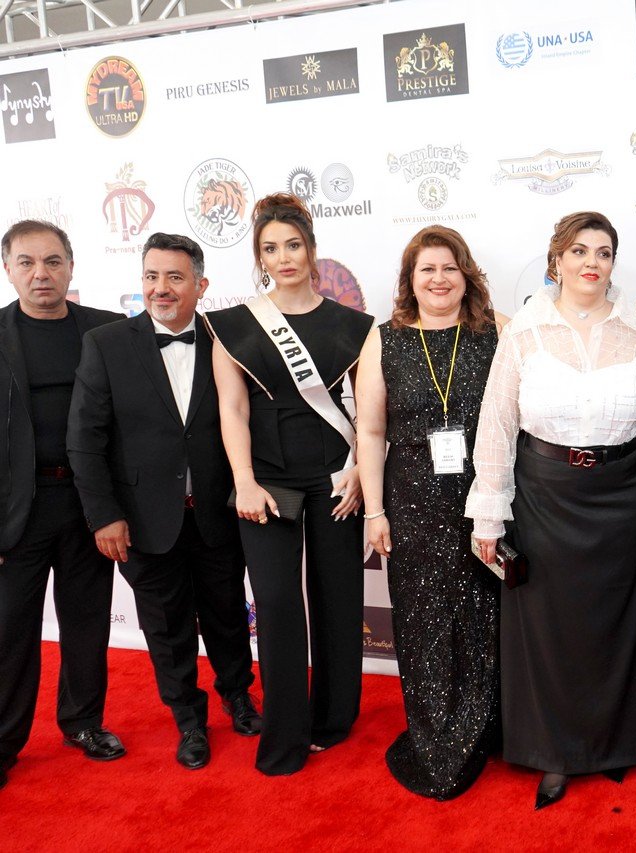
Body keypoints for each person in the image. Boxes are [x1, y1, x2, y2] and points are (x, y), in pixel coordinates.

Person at [466, 211, 636, 810]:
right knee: (551, 628)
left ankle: (620, 742)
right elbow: (497, 425)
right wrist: (489, 516)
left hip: (627, 492)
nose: (592, 262)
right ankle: (554, 752)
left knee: (622, 623)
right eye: (579, 251)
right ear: (556, 259)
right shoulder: (524, 332)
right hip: (546, 495)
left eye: (604, 252)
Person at [66, 233, 261, 771]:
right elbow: (85, 439)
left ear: (201, 284)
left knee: (227, 614)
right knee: (166, 627)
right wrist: (104, 515)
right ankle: (189, 721)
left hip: (219, 513)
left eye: (175, 277)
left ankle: (238, 696)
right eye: (152, 276)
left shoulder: (228, 340)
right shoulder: (106, 344)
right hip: (143, 519)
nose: (161, 288)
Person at [206, 193, 373, 776]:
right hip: (266, 481)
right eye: (271, 248)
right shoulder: (233, 325)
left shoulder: (354, 326)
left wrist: (361, 468)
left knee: (337, 598)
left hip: (336, 476)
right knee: (276, 604)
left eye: (293, 245)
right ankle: (284, 732)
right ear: (259, 257)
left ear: (312, 249)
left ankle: (333, 718)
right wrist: (244, 481)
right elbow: (232, 410)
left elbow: (370, 412)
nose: (284, 257)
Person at [355, 226, 506, 799]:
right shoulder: (384, 340)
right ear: (410, 280)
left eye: (449, 267)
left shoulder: (498, 333)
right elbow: (371, 431)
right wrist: (375, 511)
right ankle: (434, 735)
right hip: (411, 497)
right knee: (421, 620)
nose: (439, 279)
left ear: (466, 275)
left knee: (483, 616)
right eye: (427, 269)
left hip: (483, 496)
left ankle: (483, 728)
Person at [0, 221, 124, 790]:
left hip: (86, 503)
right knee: (9, 633)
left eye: (52, 261)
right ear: (8, 269)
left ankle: (83, 723)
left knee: (86, 623)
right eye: (26, 263)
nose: (40, 274)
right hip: (15, 512)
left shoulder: (108, 331)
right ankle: (4, 742)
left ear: (71, 266)